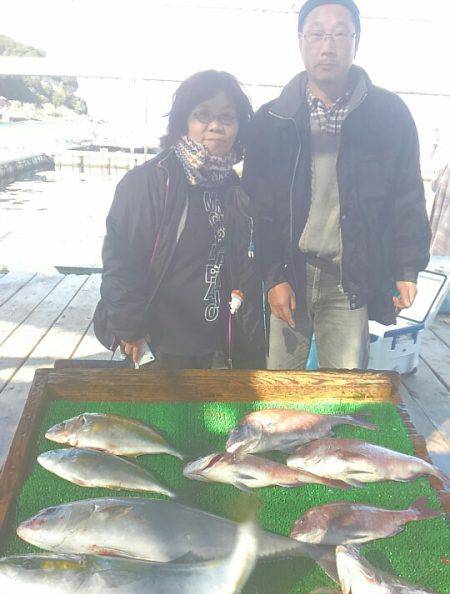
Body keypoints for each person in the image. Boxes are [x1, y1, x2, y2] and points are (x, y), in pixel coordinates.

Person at [243, 0, 431, 370]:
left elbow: (408, 195)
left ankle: (337, 430)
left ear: (356, 42)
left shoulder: (389, 116)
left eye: (340, 34)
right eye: (317, 34)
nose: (327, 46)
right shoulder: (272, 119)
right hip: (290, 274)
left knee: (344, 389)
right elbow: (257, 210)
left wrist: (407, 268)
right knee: (282, 387)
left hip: (350, 275)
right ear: (301, 42)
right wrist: (273, 278)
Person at [94, 70, 265, 369]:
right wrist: (129, 330)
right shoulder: (148, 182)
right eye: (203, 115)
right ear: (184, 121)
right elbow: (121, 262)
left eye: (227, 117)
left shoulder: (234, 189)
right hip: (158, 343)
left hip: (213, 346)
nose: (216, 126)